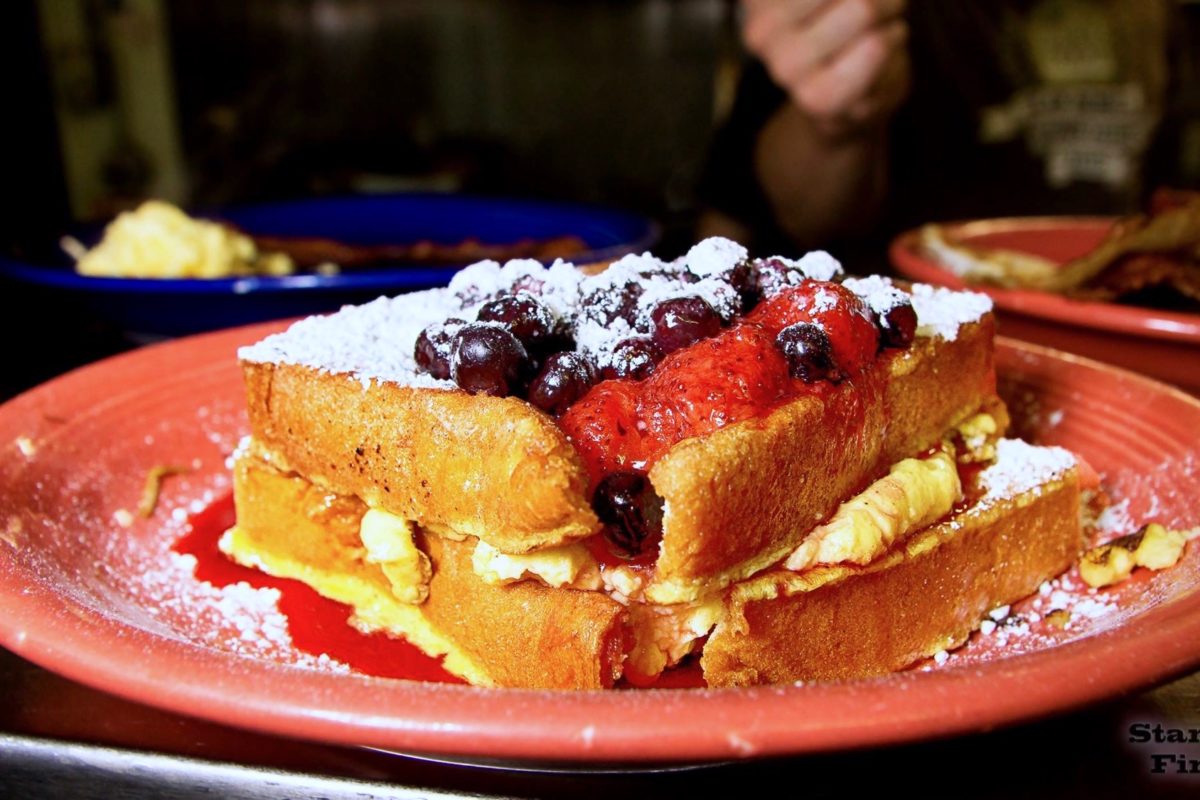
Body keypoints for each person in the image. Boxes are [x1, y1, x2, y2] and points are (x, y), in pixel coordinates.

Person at [698, 0, 1200, 266]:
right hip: (915, 335)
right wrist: (839, 123)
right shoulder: (874, 16)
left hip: (1127, 332)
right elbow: (773, 214)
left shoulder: (1160, 18)